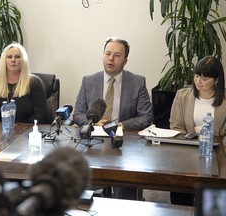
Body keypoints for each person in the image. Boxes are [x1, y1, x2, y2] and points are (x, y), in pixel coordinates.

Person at [73, 37, 153, 200]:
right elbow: (78, 114)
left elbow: (146, 117)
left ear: (125, 60)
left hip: (124, 142)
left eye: (117, 55)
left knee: (126, 179)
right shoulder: (88, 81)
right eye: (108, 54)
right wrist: (93, 122)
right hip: (93, 141)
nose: (111, 58)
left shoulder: (137, 82)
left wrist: (118, 125)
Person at [169, 55, 226, 205]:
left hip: (219, 156)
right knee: (180, 190)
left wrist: (206, 136)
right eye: (196, 76)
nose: (198, 82)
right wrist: (198, 136)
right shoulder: (182, 96)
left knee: (212, 203)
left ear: (217, 80)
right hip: (187, 154)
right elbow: (176, 127)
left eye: (204, 79)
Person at [0, 43, 46, 123]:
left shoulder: (34, 83)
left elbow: (40, 115)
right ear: (4, 60)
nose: (13, 60)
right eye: (9, 57)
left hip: (27, 130)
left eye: (17, 57)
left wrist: (23, 129)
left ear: (23, 61)